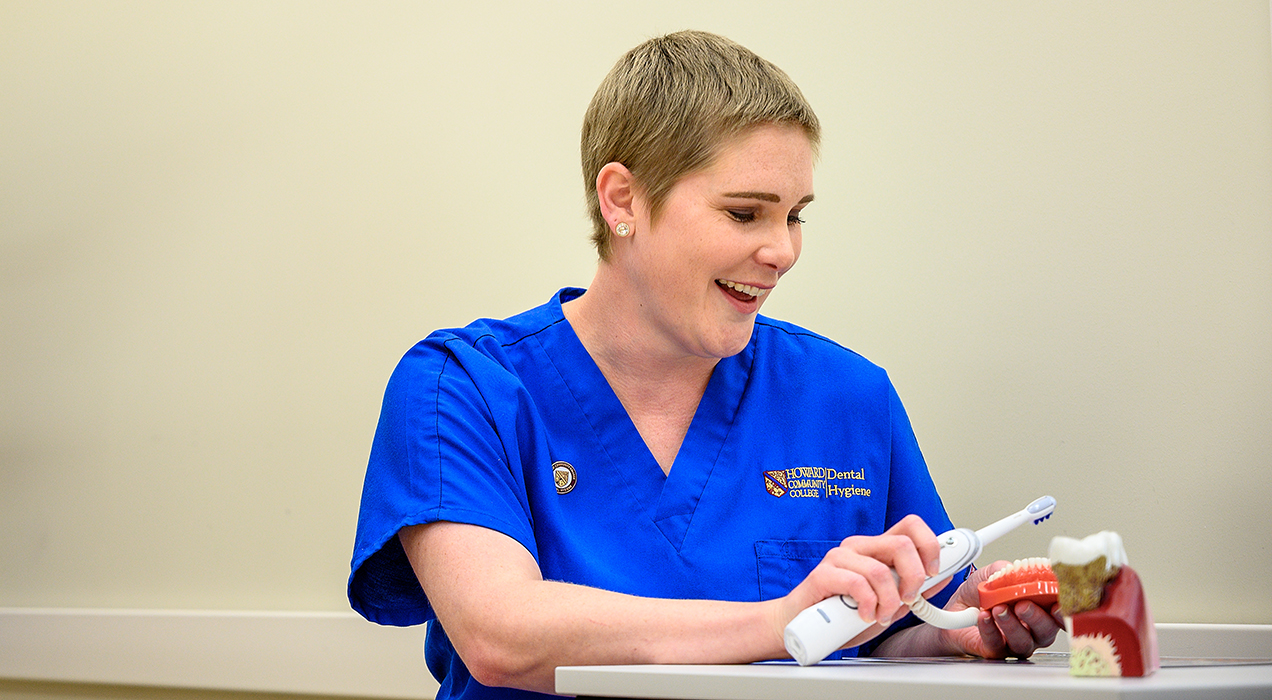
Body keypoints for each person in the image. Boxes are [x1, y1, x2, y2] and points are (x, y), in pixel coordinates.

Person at [348, 30, 1060, 699]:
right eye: (746, 214)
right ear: (623, 200)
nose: (782, 251)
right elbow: (500, 634)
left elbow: (884, 634)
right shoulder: (461, 389)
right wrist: (782, 619)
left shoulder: (845, 397)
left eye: (796, 215)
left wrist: (954, 630)